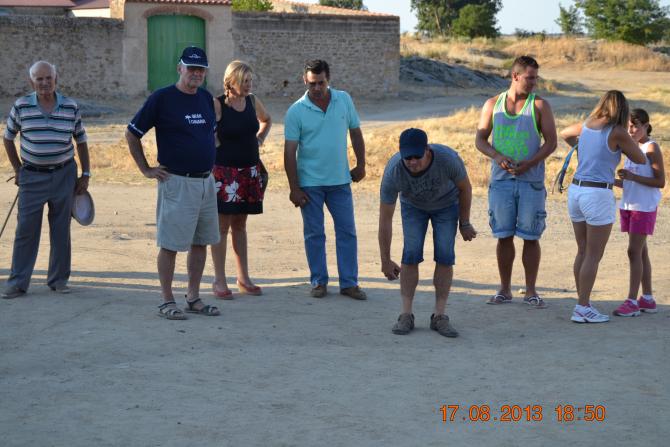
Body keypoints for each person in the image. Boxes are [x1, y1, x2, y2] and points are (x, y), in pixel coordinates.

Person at [125, 46, 221, 319]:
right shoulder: (162, 98)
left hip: (205, 182)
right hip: (177, 183)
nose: (196, 73)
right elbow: (132, 133)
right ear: (179, 68)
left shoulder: (205, 98)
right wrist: (146, 169)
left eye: (201, 69)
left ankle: (193, 297)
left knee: (201, 242)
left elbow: (210, 136)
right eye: (191, 68)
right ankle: (166, 301)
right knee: (170, 244)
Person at [2, 61, 91, 299]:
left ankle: (59, 280)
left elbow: (81, 141)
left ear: (56, 79)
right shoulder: (21, 106)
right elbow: (8, 138)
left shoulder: (70, 106)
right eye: (39, 79)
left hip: (64, 174)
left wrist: (86, 174)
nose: (44, 83)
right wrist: (18, 169)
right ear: (31, 82)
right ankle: (18, 283)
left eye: (48, 78)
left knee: (61, 229)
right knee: (26, 230)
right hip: (32, 176)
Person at [475, 55, 557, 308]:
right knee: (504, 236)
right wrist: (497, 156)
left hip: (531, 182)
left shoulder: (540, 105)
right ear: (515, 76)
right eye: (529, 78)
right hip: (501, 182)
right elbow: (480, 140)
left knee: (531, 237)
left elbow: (551, 143)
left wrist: (530, 163)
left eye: (536, 78)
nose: (534, 83)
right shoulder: (492, 104)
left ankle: (531, 291)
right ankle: (504, 289)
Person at [379, 129, 477, 337]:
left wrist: (465, 222)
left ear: (427, 150)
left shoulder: (447, 160)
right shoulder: (394, 171)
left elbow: (465, 188)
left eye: (417, 156)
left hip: (447, 205)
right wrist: (385, 260)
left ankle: (439, 316)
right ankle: (406, 314)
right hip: (413, 207)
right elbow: (385, 218)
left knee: (445, 254)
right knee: (411, 253)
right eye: (408, 157)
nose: (413, 162)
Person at [560, 90, 646, 323]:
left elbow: (565, 133)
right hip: (597, 193)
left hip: (576, 190)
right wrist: (628, 143)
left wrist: (582, 149)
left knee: (582, 250)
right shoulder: (616, 131)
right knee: (593, 254)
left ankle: (582, 302)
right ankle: (582, 307)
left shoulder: (587, 124)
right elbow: (640, 158)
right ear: (622, 108)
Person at [283, 59, 367, 300]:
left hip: (340, 181)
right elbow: (289, 152)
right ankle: (319, 282)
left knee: (347, 232)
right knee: (314, 234)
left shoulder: (344, 100)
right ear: (304, 80)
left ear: (328, 79)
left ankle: (349, 283)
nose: (317, 88)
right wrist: (294, 188)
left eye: (321, 83)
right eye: (312, 83)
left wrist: (361, 164)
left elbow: (355, 132)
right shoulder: (296, 111)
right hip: (310, 184)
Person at [210, 61, 272, 299]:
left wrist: (260, 139)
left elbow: (267, 120)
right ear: (231, 81)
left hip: (249, 172)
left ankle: (243, 279)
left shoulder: (252, 101)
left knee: (240, 225)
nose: (248, 85)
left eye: (250, 80)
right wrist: (216, 145)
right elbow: (206, 131)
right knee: (221, 227)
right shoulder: (217, 104)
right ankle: (219, 281)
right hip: (225, 174)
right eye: (244, 81)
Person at [612, 108, 665, 317]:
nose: (631, 130)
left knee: (633, 252)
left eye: (635, 126)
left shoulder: (651, 147)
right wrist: (613, 181)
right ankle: (648, 299)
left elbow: (660, 182)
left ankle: (632, 301)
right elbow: (630, 183)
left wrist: (632, 178)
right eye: (628, 126)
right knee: (641, 252)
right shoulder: (631, 147)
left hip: (643, 208)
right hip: (629, 205)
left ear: (646, 126)